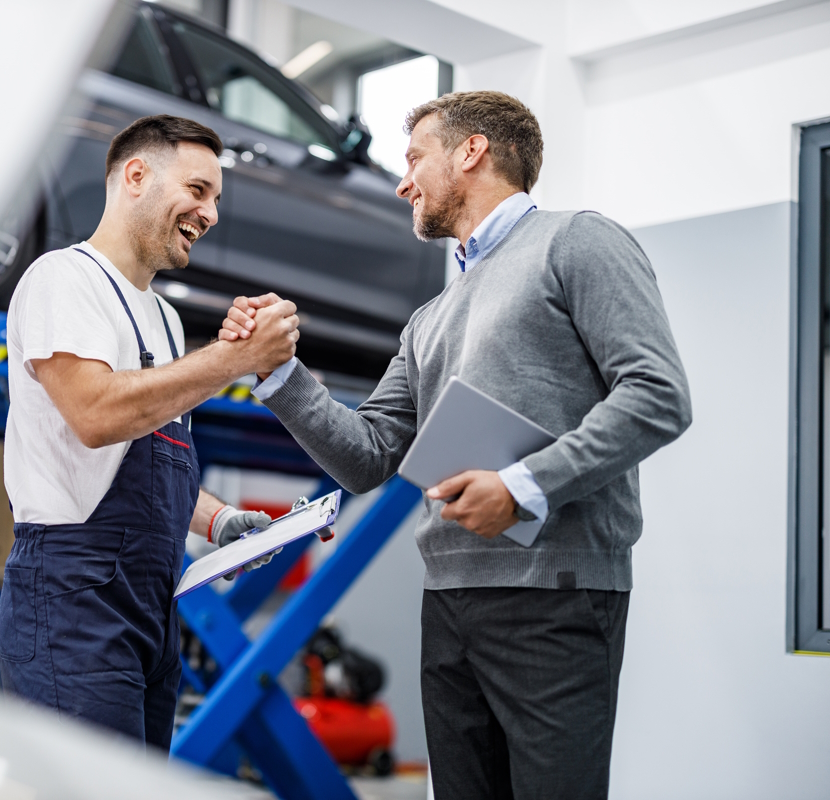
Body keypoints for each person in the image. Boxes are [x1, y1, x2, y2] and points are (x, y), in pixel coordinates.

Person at [220, 91, 692, 798]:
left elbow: (659, 395)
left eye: (414, 158)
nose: (403, 180)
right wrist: (278, 374)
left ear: (473, 151)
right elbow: (365, 456)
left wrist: (523, 487)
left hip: (556, 598)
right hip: (449, 600)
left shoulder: (578, 241)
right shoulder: (428, 319)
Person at [0, 115, 299, 750]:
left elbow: (148, 456)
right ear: (136, 176)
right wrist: (233, 358)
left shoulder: (162, 318)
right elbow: (98, 416)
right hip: (72, 597)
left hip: (151, 602)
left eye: (216, 198)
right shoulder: (65, 278)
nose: (210, 212)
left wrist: (219, 523)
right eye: (198, 190)